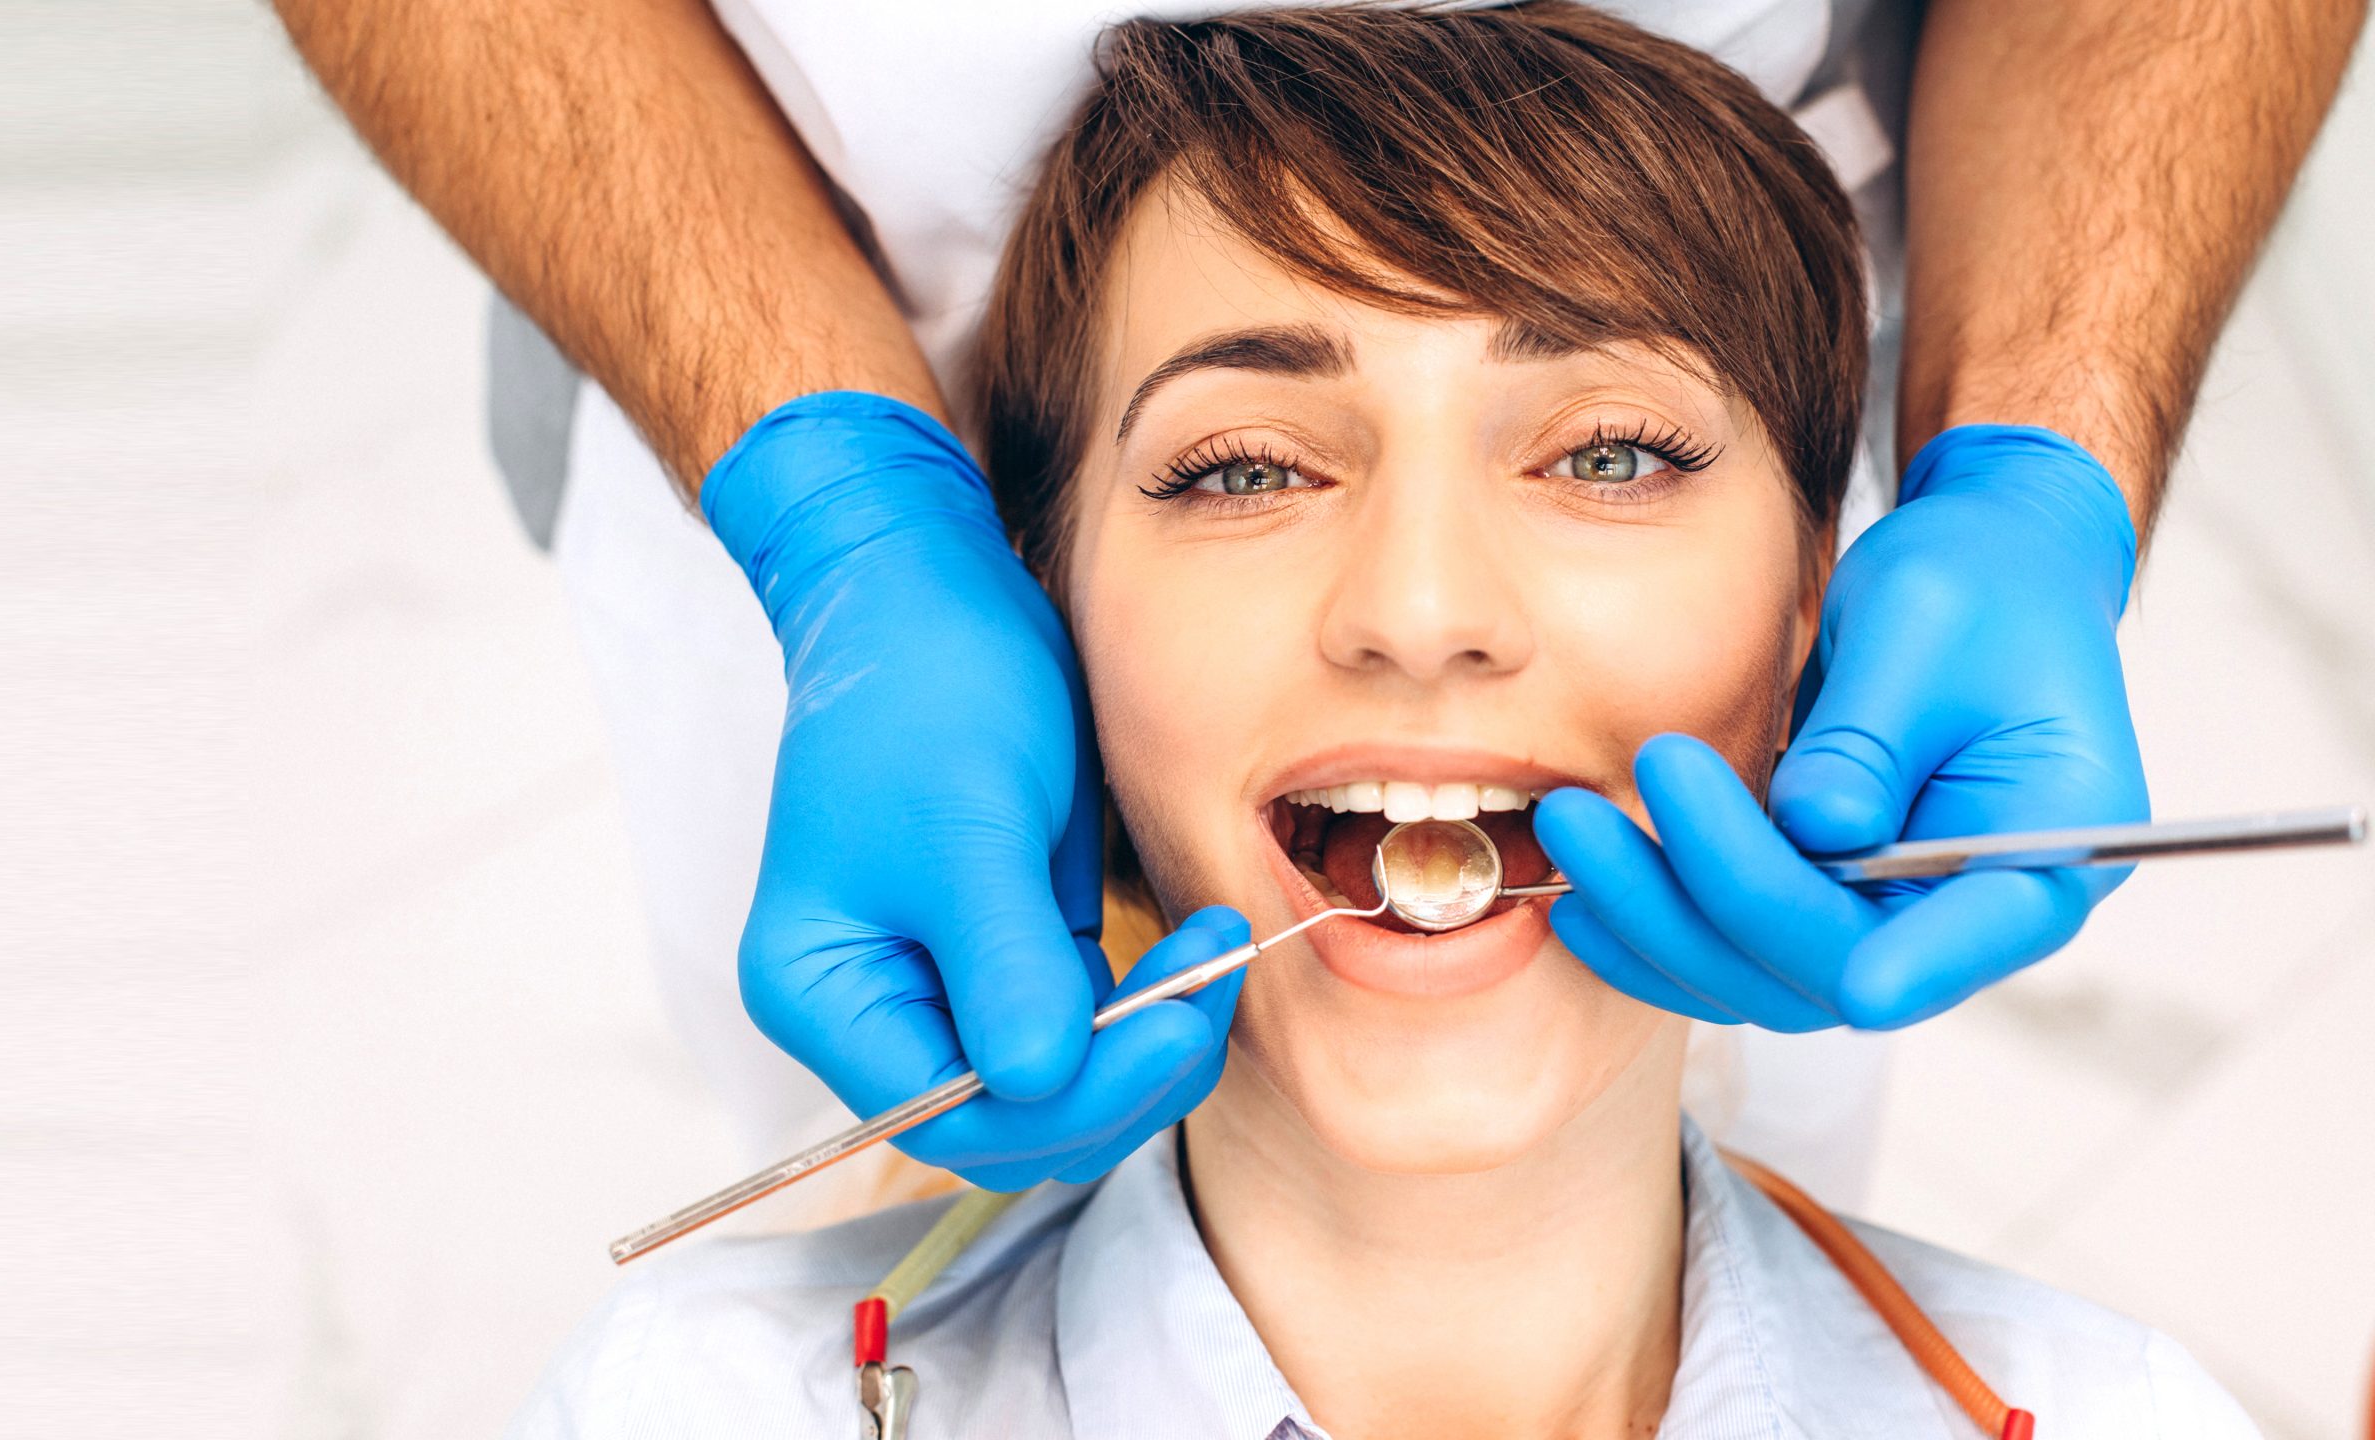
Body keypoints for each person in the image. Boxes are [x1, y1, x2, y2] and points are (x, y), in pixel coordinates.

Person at [270, 0, 2365, 1196]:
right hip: (791, 298)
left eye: (1608, 455)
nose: (1424, 610)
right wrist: (839, 511)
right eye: (1240, 469)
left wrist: (2031, 460)